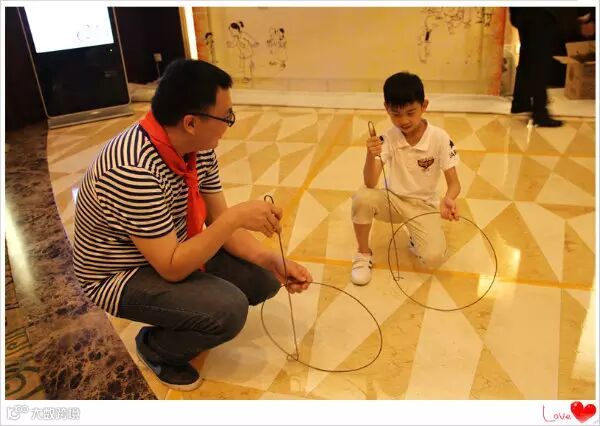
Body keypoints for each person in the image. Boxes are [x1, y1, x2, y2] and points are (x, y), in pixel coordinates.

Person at [73, 59, 312, 391]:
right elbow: (172, 266)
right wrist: (235, 217)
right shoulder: (132, 169)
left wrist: (272, 259)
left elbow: (219, 222)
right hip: (120, 274)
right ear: (190, 122)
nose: (229, 124)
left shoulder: (198, 148)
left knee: (263, 278)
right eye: (226, 117)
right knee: (228, 309)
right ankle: (156, 347)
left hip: (169, 247)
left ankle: (187, 310)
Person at [350, 72, 461, 286]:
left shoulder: (439, 137)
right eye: (396, 114)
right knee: (362, 198)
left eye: (411, 112)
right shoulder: (387, 138)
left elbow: (454, 183)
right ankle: (363, 254)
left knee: (433, 257)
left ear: (424, 105)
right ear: (386, 109)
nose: (404, 121)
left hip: (424, 206)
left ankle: (414, 235)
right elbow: (371, 183)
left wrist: (449, 198)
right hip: (394, 201)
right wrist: (370, 154)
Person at [509, 7, 596, 127]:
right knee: (540, 60)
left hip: (522, 11)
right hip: (543, 12)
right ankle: (540, 113)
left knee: (527, 55)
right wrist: (579, 22)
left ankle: (520, 102)